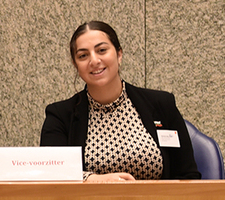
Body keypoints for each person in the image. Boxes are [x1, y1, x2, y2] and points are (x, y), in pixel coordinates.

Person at [39, 21, 199, 181]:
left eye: (101, 50)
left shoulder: (161, 104)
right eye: (83, 55)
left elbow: (187, 176)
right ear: (76, 65)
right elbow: (52, 174)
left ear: (119, 54)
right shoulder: (60, 116)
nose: (94, 61)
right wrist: (93, 180)